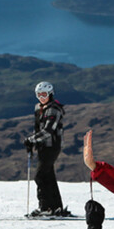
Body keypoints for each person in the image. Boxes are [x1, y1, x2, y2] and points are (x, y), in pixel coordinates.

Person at [23, 81, 70, 217]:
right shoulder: (38, 108)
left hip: (52, 146)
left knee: (40, 176)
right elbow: (38, 128)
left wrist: (32, 139)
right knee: (48, 176)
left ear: (50, 94)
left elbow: (49, 130)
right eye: (38, 95)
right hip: (43, 146)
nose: (41, 97)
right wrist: (33, 142)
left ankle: (46, 208)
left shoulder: (53, 109)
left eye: (44, 94)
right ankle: (56, 207)